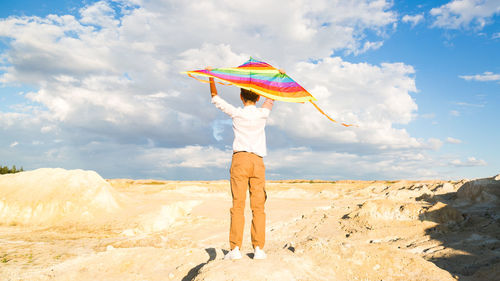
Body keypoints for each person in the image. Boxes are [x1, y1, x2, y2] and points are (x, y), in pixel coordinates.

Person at [208, 74, 274, 260]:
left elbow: (215, 99)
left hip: (240, 160)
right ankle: (259, 249)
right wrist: (277, 77)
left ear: (241, 96)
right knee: (258, 207)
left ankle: (235, 249)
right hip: (258, 162)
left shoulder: (237, 112)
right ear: (258, 97)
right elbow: (272, 97)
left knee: (238, 205)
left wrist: (211, 77)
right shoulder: (263, 113)